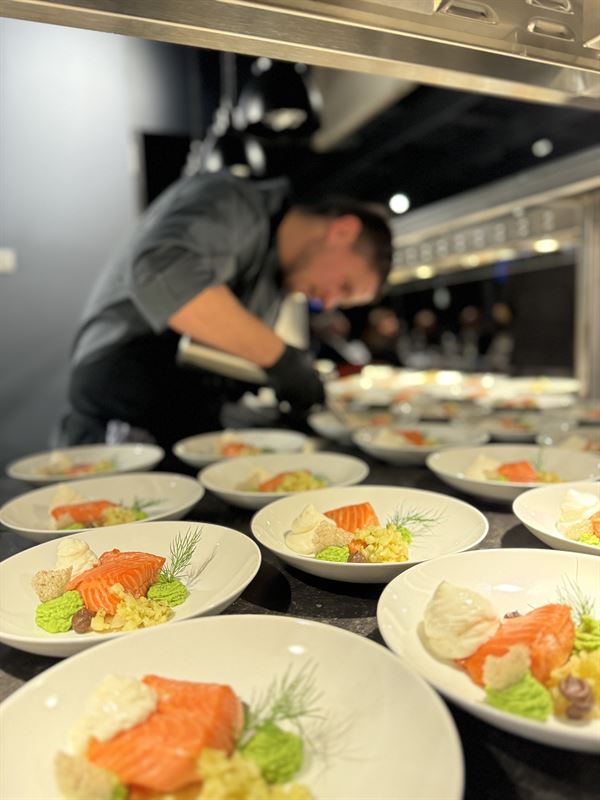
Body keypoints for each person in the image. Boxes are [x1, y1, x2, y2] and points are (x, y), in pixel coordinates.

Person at [57, 170, 392, 450]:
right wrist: (283, 359)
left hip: (174, 421)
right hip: (114, 409)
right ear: (342, 231)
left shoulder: (276, 283)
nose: (330, 302)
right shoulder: (232, 201)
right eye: (345, 286)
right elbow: (164, 274)